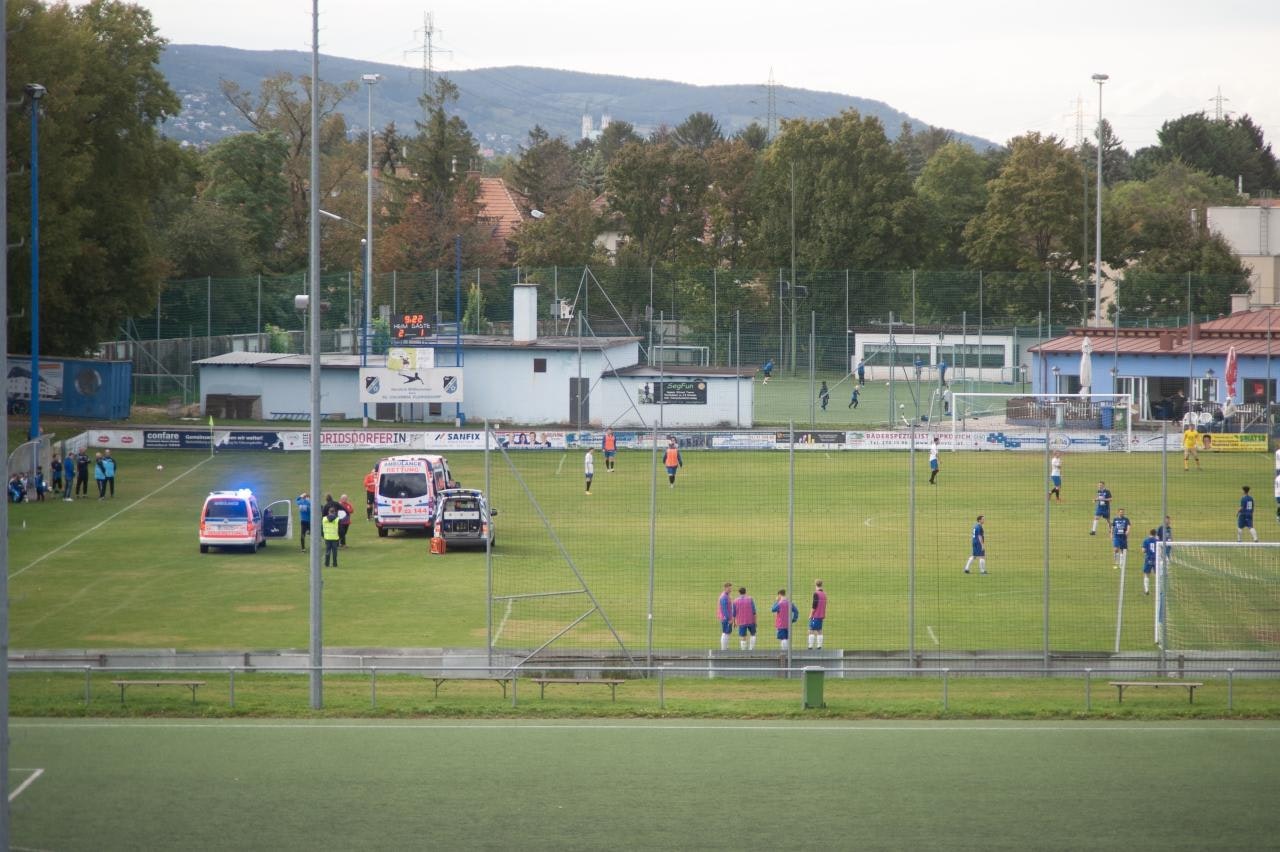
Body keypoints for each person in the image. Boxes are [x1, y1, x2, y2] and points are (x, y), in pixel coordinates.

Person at [808, 579, 827, 650]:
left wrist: (811, 614)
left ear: (815, 585)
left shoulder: (816, 594)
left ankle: (810, 646)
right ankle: (819, 646)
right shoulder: (824, 594)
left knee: (811, 630)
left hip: (815, 615)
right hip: (821, 615)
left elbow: (814, 605)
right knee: (819, 630)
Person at [716, 582, 735, 651]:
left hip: (727, 617)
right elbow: (724, 609)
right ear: (725, 588)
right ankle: (723, 649)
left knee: (728, 632)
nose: (730, 590)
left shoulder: (727, 596)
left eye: (731, 588)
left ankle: (726, 647)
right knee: (725, 632)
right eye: (729, 588)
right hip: (726, 618)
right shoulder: (724, 597)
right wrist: (729, 618)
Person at [1141, 528, 1158, 595]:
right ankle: (1158, 589)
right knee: (1157, 574)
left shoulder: (1146, 540)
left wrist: (1146, 551)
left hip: (1148, 559)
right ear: (1155, 534)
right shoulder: (1157, 541)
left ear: (1149, 533)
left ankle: (1146, 590)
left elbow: (1143, 550)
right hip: (1156, 559)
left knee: (1147, 574)